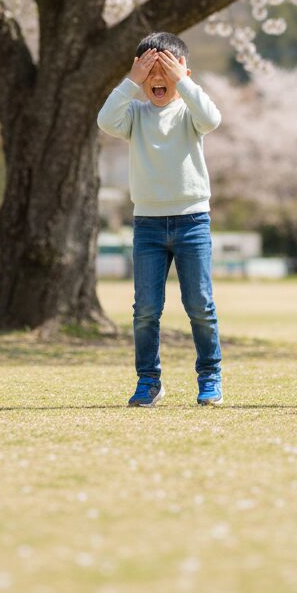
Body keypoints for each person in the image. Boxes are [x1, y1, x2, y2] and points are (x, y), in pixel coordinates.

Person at [97, 32, 223, 407]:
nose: (158, 77)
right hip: (148, 225)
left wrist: (183, 80)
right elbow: (105, 120)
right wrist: (131, 80)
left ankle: (210, 376)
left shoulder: (189, 113)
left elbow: (212, 118)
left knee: (200, 303)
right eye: (149, 69)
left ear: (183, 71)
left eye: (165, 68)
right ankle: (148, 381)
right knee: (146, 309)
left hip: (192, 221)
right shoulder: (134, 114)